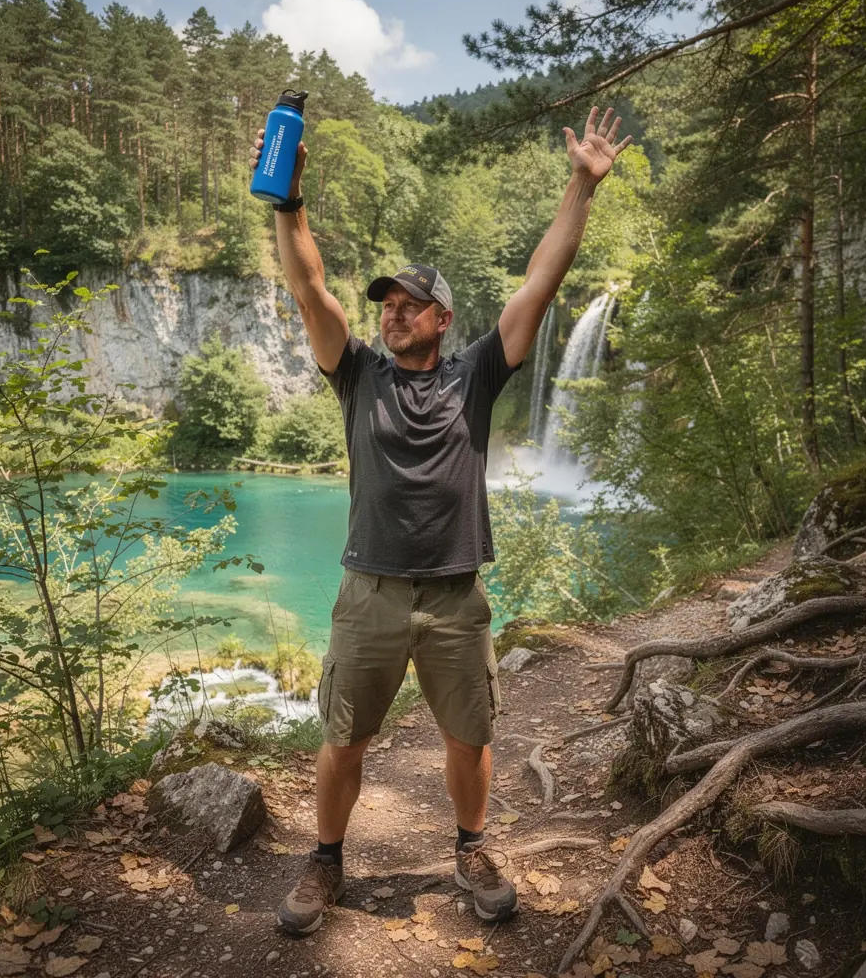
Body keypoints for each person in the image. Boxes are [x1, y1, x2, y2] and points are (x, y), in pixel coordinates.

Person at [248, 107, 632, 936]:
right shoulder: (356, 376)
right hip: (370, 593)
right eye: (387, 302)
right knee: (343, 739)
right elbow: (309, 285)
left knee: (469, 735)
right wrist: (290, 201)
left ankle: (469, 848)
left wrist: (580, 185)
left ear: (443, 319)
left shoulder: (478, 376)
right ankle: (325, 862)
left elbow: (540, 282)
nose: (392, 313)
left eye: (410, 305)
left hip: (457, 598)